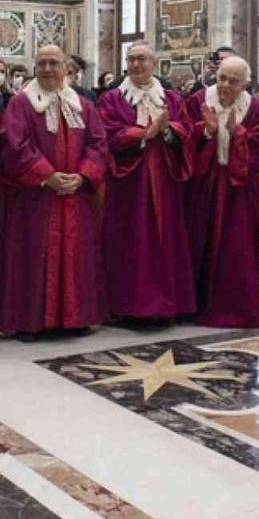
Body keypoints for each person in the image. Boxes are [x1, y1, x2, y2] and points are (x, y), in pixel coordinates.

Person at [0, 45, 110, 338]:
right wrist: (47, 175)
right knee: (32, 257)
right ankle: (30, 322)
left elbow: (98, 143)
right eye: (41, 63)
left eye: (53, 63)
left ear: (65, 68)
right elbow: (14, 145)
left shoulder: (83, 105)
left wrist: (83, 175)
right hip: (34, 198)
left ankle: (75, 318)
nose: (46, 69)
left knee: (75, 256)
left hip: (75, 196)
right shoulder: (21, 104)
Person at [97, 42, 195, 325]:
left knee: (166, 240)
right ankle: (127, 307)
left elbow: (186, 130)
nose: (137, 65)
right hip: (129, 185)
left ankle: (166, 306)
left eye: (142, 59)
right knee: (130, 242)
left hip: (165, 182)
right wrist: (142, 134)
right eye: (131, 59)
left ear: (154, 63)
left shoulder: (172, 99)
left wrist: (167, 131)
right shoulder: (112, 99)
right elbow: (106, 133)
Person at [183, 56, 259, 327]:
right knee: (199, 241)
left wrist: (238, 133)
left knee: (237, 249)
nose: (224, 85)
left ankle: (236, 310)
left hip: (239, 189)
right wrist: (206, 132)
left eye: (233, 81)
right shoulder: (198, 101)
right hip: (203, 186)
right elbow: (184, 138)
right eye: (222, 78)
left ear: (245, 84)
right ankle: (194, 307)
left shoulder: (256, 109)